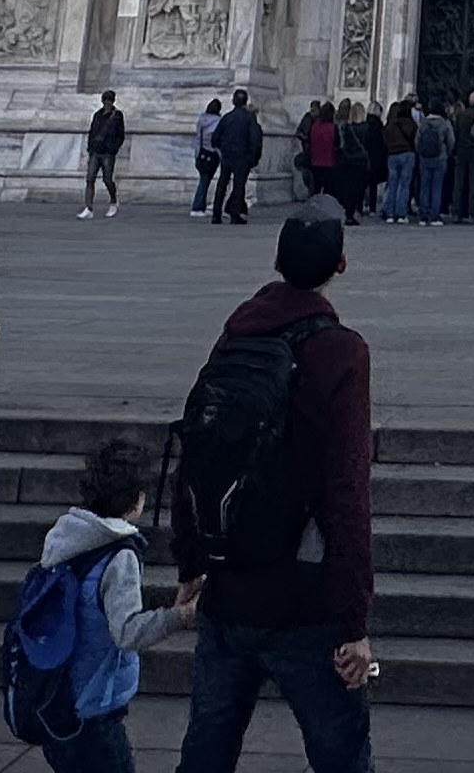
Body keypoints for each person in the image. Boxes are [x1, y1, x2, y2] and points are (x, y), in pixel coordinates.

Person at [168, 210, 375, 773]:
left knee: (206, 750)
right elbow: (347, 491)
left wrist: (190, 564)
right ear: (340, 267)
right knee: (341, 755)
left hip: (228, 588)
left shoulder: (237, 332)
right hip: (304, 599)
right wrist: (354, 622)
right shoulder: (341, 351)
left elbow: (197, 455)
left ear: (277, 262)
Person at [28, 432, 192, 773]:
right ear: (137, 500)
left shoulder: (65, 538)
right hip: (94, 708)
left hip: (56, 702)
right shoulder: (119, 557)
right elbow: (127, 632)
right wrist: (180, 616)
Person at [213, 89, 263, 229]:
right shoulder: (249, 119)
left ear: (233, 101)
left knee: (222, 184)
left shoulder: (227, 118)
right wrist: (252, 157)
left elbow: (215, 138)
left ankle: (216, 214)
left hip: (227, 156)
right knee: (238, 186)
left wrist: (222, 150)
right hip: (242, 157)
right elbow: (254, 139)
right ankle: (235, 215)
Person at [84, 91, 129, 220]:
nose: (107, 103)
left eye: (109, 101)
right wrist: (90, 147)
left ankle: (113, 201)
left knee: (107, 179)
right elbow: (92, 131)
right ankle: (89, 208)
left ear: (112, 101)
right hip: (95, 151)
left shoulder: (117, 116)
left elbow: (121, 135)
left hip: (108, 153)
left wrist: (113, 149)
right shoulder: (98, 115)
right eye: (105, 101)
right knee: (90, 178)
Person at [380, 99, 420, 228]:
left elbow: (385, 138)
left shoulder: (391, 125)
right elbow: (416, 139)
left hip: (392, 155)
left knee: (392, 184)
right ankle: (401, 214)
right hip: (408, 154)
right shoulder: (411, 124)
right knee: (404, 185)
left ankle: (390, 213)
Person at [193, 98, 224, 218]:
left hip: (201, 153)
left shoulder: (201, 120)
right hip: (212, 154)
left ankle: (201, 205)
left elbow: (198, 138)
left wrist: (197, 153)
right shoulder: (218, 121)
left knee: (203, 180)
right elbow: (217, 140)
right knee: (205, 182)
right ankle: (197, 206)